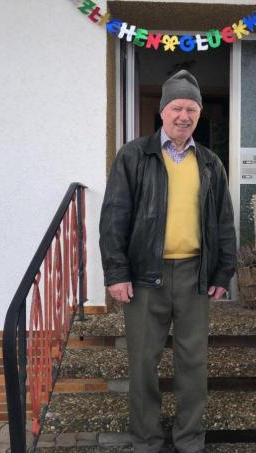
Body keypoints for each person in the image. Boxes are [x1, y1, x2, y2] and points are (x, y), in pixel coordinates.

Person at [99, 69, 237, 453]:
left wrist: (222, 272)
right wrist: (116, 273)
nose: (184, 116)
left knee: (193, 364)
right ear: (162, 111)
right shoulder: (134, 156)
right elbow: (114, 217)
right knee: (143, 364)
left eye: (191, 109)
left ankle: (189, 441)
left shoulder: (210, 163)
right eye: (177, 107)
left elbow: (224, 222)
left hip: (194, 275)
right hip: (146, 277)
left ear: (198, 114)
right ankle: (146, 441)